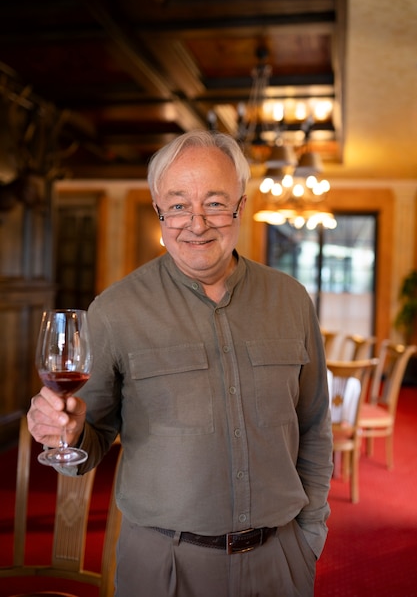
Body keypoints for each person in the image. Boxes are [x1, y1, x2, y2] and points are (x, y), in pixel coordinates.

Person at [27, 129, 333, 597]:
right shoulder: (116, 309)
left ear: (241, 206)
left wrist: (310, 536)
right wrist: (64, 433)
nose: (195, 223)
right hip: (163, 569)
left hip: (281, 561)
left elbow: (314, 425)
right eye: (177, 205)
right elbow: (90, 440)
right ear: (158, 210)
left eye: (214, 202)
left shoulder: (291, 301)